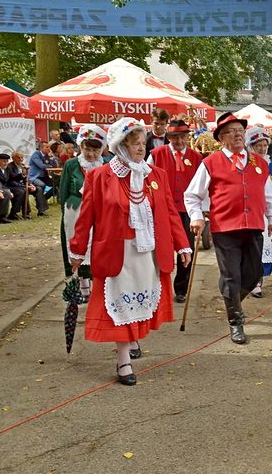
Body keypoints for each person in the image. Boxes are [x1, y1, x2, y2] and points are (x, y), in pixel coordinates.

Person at [68, 117, 192, 385]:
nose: (141, 148)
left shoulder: (155, 175)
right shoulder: (99, 176)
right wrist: (77, 251)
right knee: (119, 307)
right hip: (116, 254)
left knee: (140, 304)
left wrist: (182, 243)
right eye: (135, 143)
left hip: (147, 254)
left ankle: (132, 338)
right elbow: (85, 217)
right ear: (121, 145)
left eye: (142, 143)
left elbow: (170, 212)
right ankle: (123, 360)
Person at [184, 113, 272, 344]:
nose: (237, 134)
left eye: (240, 130)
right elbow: (192, 195)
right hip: (225, 228)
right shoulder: (211, 163)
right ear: (220, 138)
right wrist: (196, 217)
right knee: (232, 275)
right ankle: (236, 321)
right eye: (231, 131)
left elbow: (269, 196)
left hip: (254, 225)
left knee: (255, 273)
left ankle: (231, 296)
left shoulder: (260, 163)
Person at [147, 119, 203, 303]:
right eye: (174, 137)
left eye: (182, 137)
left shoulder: (197, 158)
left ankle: (181, 288)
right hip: (162, 209)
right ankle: (158, 287)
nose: (179, 141)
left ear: (188, 137)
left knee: (186, 249)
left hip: (187, 210)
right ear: (168, 137)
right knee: (160, 248)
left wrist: (202, 211)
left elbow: (203, 185)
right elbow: (145, 179)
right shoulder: (156, 154)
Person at [60, 124, 107, 298]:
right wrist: (66, 210)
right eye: (87, 149)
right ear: (81, 146)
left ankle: (100, 284)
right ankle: (82, 283)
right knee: (79, 244)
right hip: (76, 210)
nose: (91, 154)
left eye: (96, 150)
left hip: (101, 212)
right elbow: (63, 191)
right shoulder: (72, 165)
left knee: (98, 244)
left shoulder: (107, 164)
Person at [244, 126, 272, 299]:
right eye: (258, 145)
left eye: (265, 145)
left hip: (269, 211)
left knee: (266, 245)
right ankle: (253, 281)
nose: (262, 148)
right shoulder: (246, 163)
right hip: (253, 211)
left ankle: (258, 279)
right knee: (253, 247)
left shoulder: (271, 165)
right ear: (251, 146)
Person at [28, 142, 59, 215]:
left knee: (56, 183)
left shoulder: (46, 155)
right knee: (42, 185)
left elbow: (54, 165)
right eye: (47, 147)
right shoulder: (36, 155)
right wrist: (49, 165)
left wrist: (51, 157)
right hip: (34, 177)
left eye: (49, 147)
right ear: (41, 148)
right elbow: (41, 166)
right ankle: (41, 202)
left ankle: (43, 198)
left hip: (44, 176)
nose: (49, 149)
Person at [6, 152, 37, 220]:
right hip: (12, 186)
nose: (20, 159)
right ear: (13, 158)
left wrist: (30, 184)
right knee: (23, 191)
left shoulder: (23, 166)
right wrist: (24, 185)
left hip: (22, 185)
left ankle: (41, 210)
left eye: (22, 157)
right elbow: (12, 179)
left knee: (39, 188)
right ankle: (15, 213)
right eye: (18, 157)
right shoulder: (9, 166)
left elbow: (27, 178)